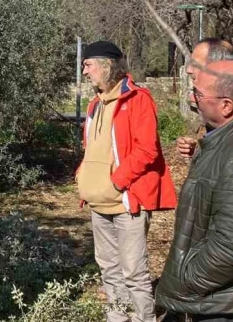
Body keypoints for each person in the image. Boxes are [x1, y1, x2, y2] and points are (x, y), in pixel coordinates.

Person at [156, 60, 233, 321]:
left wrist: (186, 278)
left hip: (229, 307)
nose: (193, 98)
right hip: (230, 299)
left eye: (198, 94)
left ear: (226, 106)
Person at [77, 41, 177, 322]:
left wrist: (116, 182)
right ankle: (118, 318)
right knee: (109, 270)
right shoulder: (95, 104)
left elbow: (148, 149)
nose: (84, 71)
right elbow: (94, 149)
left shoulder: (137, 98)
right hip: (98, 203)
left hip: (126, 201)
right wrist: (83, 177)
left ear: (106, 65)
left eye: (88, 64)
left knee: (133, 272)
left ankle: (143, 319)